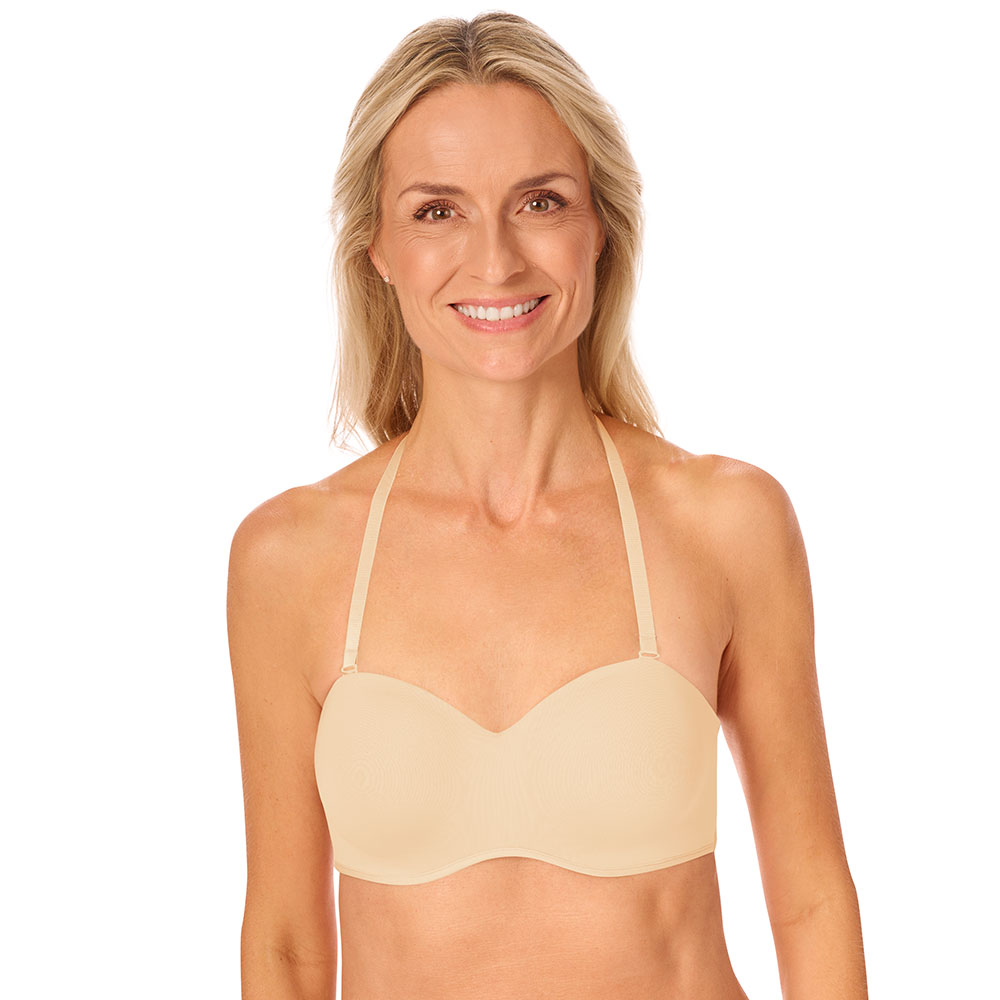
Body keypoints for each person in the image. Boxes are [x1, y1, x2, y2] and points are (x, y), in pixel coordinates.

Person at [227, 12, 867, 999]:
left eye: (539, 201)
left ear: (598, 226)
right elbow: (285, 944)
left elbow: (812, 902)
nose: (495, 260)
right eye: (437, 210)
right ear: (376, 247)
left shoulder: (724, 524)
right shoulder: (289, 559)